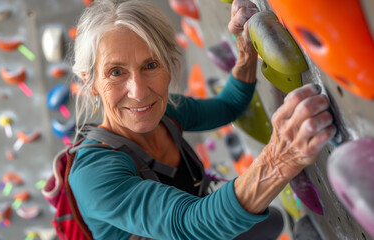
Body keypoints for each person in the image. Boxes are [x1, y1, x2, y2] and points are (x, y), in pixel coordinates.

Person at [69, 0, 337, 239]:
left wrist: (245, 51)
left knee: (271, 221)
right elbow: (188, 224)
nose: (138, 92)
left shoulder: (166, 112)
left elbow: (228, 106)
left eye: (150, 65)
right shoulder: (93, 175)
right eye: (116, 72)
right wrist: (280, 160)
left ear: (167, 64)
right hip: (193, 229)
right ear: (90, 82)